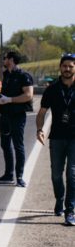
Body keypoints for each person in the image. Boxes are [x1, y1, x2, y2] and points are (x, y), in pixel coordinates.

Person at [36, 53, 75, 226]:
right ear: (60, 67)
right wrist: (39, 129)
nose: (67, 69)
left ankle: (70, 211)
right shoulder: (52, 89)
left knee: (72, 175)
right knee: (56, 175)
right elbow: (42, 112)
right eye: (65, 66)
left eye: (71, 66)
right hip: (57, 138)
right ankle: (60, 198)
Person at [0, 50, 34, 187]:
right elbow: (5, 94)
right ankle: (8, 174)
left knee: (18, 146)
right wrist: (0, 99)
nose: (3, 61)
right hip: (5, 114)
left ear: (11, 60)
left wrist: (9, 99)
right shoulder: (6, 75)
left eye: (4, 58)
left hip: (17, 115)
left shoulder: (23, 76)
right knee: (5, 145)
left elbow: (28, 95)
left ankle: (20, 177)